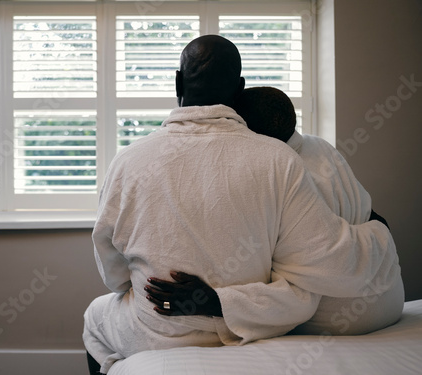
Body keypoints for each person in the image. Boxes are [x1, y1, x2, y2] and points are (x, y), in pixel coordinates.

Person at [83, 35, 400, 374]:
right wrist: (378, 234)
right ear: (240, 89)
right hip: (248, 328)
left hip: (157, 328)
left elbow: (114, 276)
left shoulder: (128, 162)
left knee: (95, 319)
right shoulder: (279, 159)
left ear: (178, 82)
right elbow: (320, 265)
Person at [232, 86, 404, 335]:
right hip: (391, 299)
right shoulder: (320, 146)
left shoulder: (278, 175)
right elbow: (368, 211)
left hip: (341, 318)